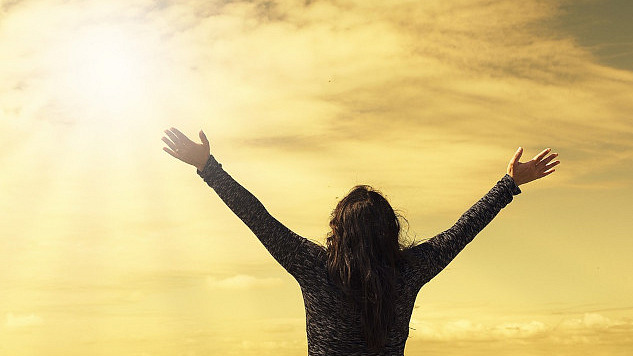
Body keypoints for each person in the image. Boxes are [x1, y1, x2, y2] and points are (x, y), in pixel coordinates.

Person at [161, 127, 560, 356]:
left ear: (337, 230)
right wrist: (508, 184)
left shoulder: (313, 267)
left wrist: (207, 167)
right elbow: (463, 229)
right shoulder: (409, 271)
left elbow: (257, 218)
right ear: (391, 231)